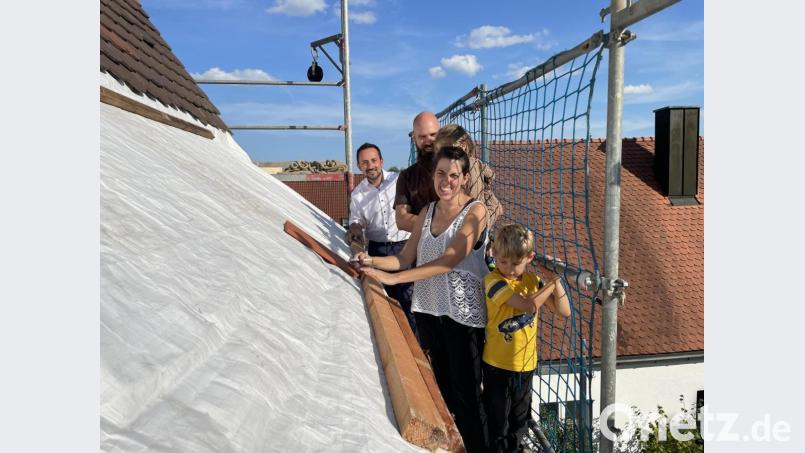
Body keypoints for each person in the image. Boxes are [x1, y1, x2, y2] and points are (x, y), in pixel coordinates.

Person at [353, 146, 490, 453]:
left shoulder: (476, 211)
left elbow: (450, 259)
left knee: (469, 400)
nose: (447, 181)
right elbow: (403, 258)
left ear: (465, 178)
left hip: (463, 318)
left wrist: (393, 280)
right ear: (433, 175)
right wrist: (371, 263)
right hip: (430, 312)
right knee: (443, 396)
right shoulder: (427, 211)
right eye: (441, 173)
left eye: (454, 175)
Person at [482, 224, 572, 453]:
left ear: (529, 257)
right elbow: (529, 306)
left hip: (526, 365)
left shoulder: (533, 281)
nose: (509, 269)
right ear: (494, 252)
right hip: (497, 365)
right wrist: (551, 282)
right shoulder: (494, 281)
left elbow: (564, 311)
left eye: (515, 263)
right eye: (503, 261)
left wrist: (556, 280)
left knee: (519, 422)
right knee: (498, 421)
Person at [345, 143, 417, 335]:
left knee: (412, 300)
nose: (370, 166)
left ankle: (421, 348)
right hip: (378, 251)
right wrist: (354, 231)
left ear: (381, 161)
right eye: (365, 162)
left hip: (406, 248)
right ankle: (402, 342)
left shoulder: (398, 181)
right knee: (389, 302)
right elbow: (356, 222)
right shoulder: (358, 195)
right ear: (359, 166)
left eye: (374, 160)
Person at [432, 123, 502, 231]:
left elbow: (474, 201)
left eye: (447, 148)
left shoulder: (469, 166)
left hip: (469, 229)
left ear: (463, 145)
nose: (443, 154)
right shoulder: (460, 165)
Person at [394, 111, 441, 233]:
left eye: (432, 134)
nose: (428, 141)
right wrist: (441, 226)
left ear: (441, 133)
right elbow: (401, 220)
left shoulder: (458, 166)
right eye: (422, 136)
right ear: (414, 137)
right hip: (423, 246)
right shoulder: (407, 177)